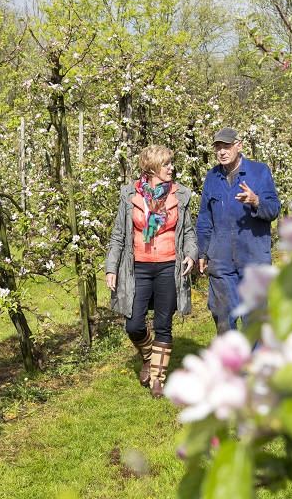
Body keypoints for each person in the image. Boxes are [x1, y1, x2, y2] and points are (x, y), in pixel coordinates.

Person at [105, 145, 197, 398]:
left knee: (163, 324)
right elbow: (118, 236)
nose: (172, 168)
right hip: (138, 267)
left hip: (169, 265)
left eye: (171, 164)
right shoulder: (130, 195)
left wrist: (191, 253)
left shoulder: (180, 195)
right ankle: (148, 357)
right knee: (133, 324)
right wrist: (111, 267)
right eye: (166, 164)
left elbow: (188, 231)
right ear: (152, 168)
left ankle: (158, 378)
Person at [196, 127, 281, 334]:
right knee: (223, 314)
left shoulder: (259, 172)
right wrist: (201, 252)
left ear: (239, 146)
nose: (222, 152)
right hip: (221, 259)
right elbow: (205, 218)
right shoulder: (212, 177)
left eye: (226, 147)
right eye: (218, 148)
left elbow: (274, 210)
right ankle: (233, 364)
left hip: (253, 257)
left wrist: (255, 201)